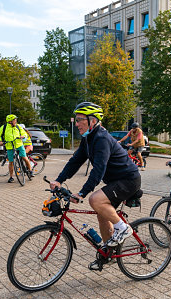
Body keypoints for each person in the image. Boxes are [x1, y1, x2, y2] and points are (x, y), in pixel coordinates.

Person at [50, 102, 141, 268]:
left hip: (128, 180)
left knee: (95, 200)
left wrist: (82, 193)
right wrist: (59, 180)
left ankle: (124, 228)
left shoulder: (101, 139)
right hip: (115, 181)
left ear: (92, 121)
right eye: (76, 120)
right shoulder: (89, 139)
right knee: (102, 214)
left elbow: (98, 170)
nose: (76, 124)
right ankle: (108, 253)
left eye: (79, 120)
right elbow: (75, 161)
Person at [0, 115, 33, 183]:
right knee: (11, 162)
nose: (15, 121)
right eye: (14, 120)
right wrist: (0, 141)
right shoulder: (4, 127)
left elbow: (24, 133)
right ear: (10, 121)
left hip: (19, 145)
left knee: (24, 158)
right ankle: (11, 177)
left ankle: (30, 170)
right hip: (9, 146)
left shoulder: (18, 126)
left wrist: (23, 136)